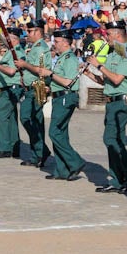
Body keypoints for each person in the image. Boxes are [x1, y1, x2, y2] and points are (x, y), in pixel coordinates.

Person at [89, 23, 127, 194]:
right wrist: (90, 73)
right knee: (113, 140)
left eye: (109, 34)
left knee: (111, 139)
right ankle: (119, 179)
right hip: (112, 100)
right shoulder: (114, 53)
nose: (106, 37)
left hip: (122, 101)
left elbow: (118, 79)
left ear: (119, 35)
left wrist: (98, 65)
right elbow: (109, 81)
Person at [45, 28, 86, 181]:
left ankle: (75, 162)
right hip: (59, 96)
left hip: (65, 97)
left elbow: (68, 82)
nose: (54, 44)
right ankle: (62, 170)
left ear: (65, 42)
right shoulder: (63, 57)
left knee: (54, 132)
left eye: (56, 41)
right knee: (60, 133)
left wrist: (49, 74)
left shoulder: (69, 58)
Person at [16, 24, 51, 169]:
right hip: (30, 88)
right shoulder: (35, 47)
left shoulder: (41, 48)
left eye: (30, 31)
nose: (27, 33)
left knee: (30, 119)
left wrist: (24, 64)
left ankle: (39, 152)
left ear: (37, 32)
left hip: (37, 89)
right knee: (32, 120)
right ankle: (39, 152)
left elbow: (42, 70)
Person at [0, 27, 23, 158]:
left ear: (14, 39)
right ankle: (14, 146)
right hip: (8, 87)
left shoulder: (16, 52)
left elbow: (11, 71)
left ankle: (4, 147)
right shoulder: (12, 52)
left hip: (11, 87)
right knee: (11, 117)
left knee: (1, 116)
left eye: (8, 38)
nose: (6, 41)